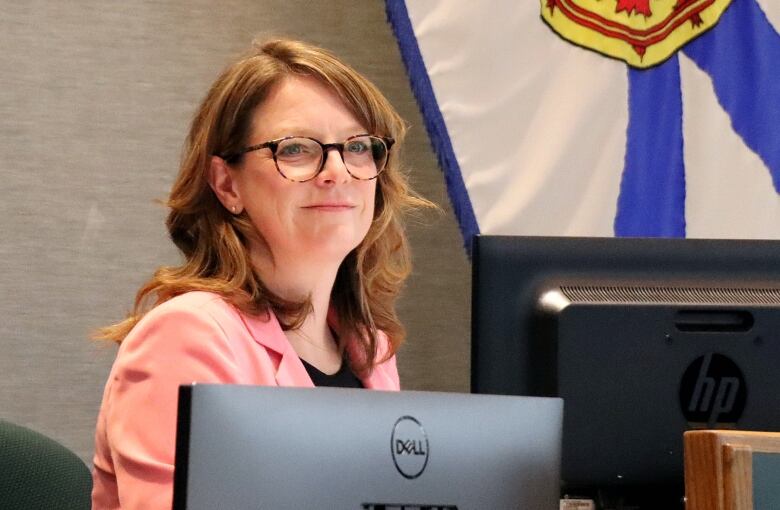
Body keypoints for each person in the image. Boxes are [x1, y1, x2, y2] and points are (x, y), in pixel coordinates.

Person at [91, 38, 430, 510]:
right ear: (227, 185)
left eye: (357, 147)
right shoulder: (187, 336)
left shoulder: (369, 349)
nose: (337, 171)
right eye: (294, 149)